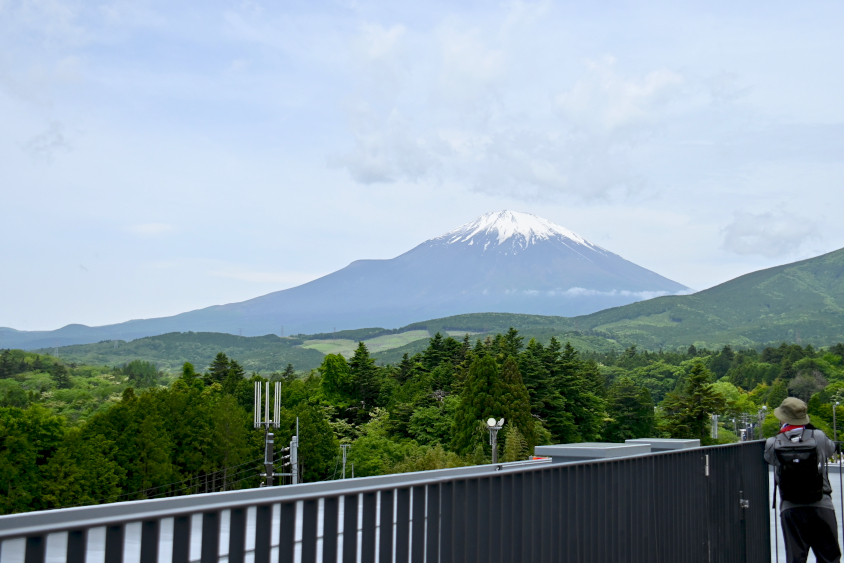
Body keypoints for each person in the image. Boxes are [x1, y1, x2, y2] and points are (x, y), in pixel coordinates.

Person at [765, 397, 841, 563]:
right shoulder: (818, 436)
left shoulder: (774, 442)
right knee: (829, 557)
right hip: (821, 503)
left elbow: (769, 459)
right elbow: (830, 449)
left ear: (783, 418)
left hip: (790, 507)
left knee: (796, 558)